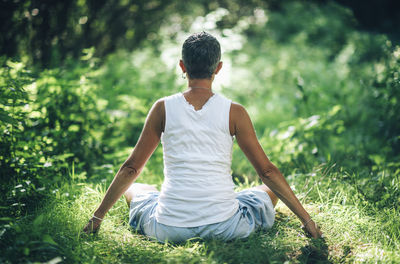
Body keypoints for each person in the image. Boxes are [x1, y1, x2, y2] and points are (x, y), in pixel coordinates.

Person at [83, 32, 322, 242]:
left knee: (137, 187)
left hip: (167, 228)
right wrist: (307, 221)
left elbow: (131, 168)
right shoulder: (235, 112)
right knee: (264, 191)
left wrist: (97, 217)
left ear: (182, 66)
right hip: (227, 227)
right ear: (218, 68)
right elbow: (267, 172)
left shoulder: (162, 108)